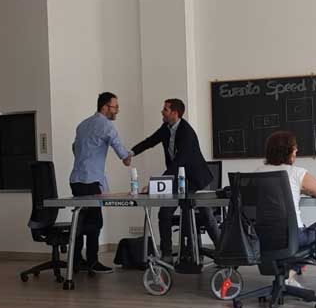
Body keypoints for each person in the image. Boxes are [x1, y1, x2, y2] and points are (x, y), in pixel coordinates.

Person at [129, 98, 220, 263]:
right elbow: (150, 141)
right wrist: (131, 153)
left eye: (165, 109)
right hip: (178, 178)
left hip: (197, 180)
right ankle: (167, 254)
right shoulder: (166, 128)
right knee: (164, 213)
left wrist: (155, 184)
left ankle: (224, 253)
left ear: (175, 113)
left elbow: (179, 161)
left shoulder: (187, 132)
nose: (162, 112)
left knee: (207, 216)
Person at [254, 131, 316, 287]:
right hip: (291, 236)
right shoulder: (297, 173)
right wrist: (307, 189)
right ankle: (289, 276)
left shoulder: (258, 172)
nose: (297, 150)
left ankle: (285, 276)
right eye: (294, 147)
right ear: (289, 151)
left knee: (292, 239)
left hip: (262, 236)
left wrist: (300, 189)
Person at [69, 92, 132, 274]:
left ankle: (76, 260)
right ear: (105, 107)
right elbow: (123, 155)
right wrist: (128, 156)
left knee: (80, 220)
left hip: (76, 180)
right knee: (95, 222)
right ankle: (92, 261)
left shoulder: (82, 125)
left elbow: (74, 147)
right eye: (115, 107)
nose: (117, 111)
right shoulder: (106, 126)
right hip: (91, 181)